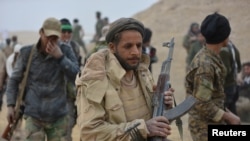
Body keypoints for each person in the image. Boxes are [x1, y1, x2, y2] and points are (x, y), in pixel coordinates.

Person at [75, 17, 174, 141]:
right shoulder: (95, 79)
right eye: (128, 46)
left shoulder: (142, 72)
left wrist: (163, 105)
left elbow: (153, 121)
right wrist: (143, 129)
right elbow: (90, 133)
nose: (135, 52)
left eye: (138, 46)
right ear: (112, 47)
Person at [6, 17, 80, 141]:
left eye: (55, 38)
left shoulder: (65, 51)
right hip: (34, 115)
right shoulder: (27, 53)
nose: (51, 41)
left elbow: (77, 76)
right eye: (48, 37)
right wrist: (10, 105)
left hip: (58, 117)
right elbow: (14, 80)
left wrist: (60, 58)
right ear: (41, 33)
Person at [185, 12, 241, 141]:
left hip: (213, 121)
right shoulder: (206, 65)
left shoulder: (211, 57)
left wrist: (227, 113)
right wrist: (229, 117)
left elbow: (213, 97)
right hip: (204, 128)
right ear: (224, 36)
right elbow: (201, 103)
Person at [59, 18, 82, 141]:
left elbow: (77, 70)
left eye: (69, 32)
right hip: (55, 94)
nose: (67, 34)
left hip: (71, 94)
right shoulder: (52, 46)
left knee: (69, 124)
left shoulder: (74, 47)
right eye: (64, 31)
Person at [219, 40, 241, 115]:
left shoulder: (223, 50)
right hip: (233, 85)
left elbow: (224, 71)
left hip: (226, 87)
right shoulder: (233, 47)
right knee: (232, 111)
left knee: (224, 112)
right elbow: (239, 68)